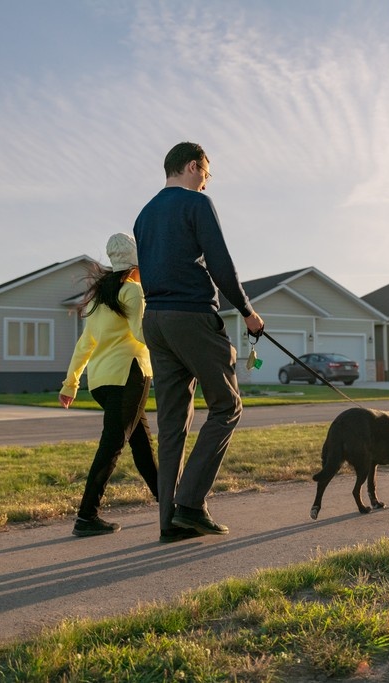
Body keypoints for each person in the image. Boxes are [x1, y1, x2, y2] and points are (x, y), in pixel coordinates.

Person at [133, 142, 264, 543]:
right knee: (227, 406)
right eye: (204, 176)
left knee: (172, 424)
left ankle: (168, 522)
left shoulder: (144, 215)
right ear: (192, 166)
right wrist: (247, 311)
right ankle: (189, 505)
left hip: (154, 320)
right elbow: (220, 263)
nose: (205, 185)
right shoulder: (196, 205)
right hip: (191, 316)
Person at [60, 233, 160, 537]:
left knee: (141, 443)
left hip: (101, 382)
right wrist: (173, 344)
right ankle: (86, 516)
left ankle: (170, 500)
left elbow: (84, 345)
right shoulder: (132, 291)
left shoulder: (99, 299)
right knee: (112, 445)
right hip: (128, 376)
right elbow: (140, 333)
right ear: (137, 264)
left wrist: (71, 382)